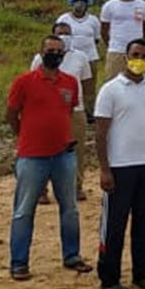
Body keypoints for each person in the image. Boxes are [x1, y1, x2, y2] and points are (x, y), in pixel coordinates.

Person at [6, 35, 91, 280]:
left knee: (70, 209)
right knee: (24, 210)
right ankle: (19, 262)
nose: (54, 54)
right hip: (32, 156)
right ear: (40, 52)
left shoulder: (70, 82)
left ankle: (72, 255)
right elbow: (11, 114)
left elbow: (67, 112)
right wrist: (25, 135)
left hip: (64, 154)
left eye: (58, 51)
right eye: (50, 50)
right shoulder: (24, 81)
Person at [93, 38, 145, 289]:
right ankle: (109, 276)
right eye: (135, 54)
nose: (139, 60)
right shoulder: (110, 90)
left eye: (144, 56)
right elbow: (100, 133)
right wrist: (104, 168)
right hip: (119, 167)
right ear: (126, 57)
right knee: (114, 225)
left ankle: (143, 273)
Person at [33, 20, 94, 202]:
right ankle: (41, 189)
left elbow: (87, 84)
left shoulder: (81, 57)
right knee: (44, 148)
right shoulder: (39, 59)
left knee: (76, 150)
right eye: (60, 33)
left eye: (67, 33)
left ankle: (76, 186)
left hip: (75, 109)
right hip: (47, 110)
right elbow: (34, 81)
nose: (64, 37)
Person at [99, 0, 145, 82]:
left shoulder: (144, 5)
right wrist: (112, 43)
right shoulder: (109, 5)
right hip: (116, 50)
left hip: (137, 52)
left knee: (136, 80)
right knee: (113, 81)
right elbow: (104, 30)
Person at [57, 0, 101, 96]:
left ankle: (88, 105)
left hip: (90, 58)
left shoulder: (93, 20)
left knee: (89, 87)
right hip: (70, 58)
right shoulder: (63, 19)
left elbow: (96, 38)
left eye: (82, 2)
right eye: (77, 1)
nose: (79, 4)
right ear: (72, 3)